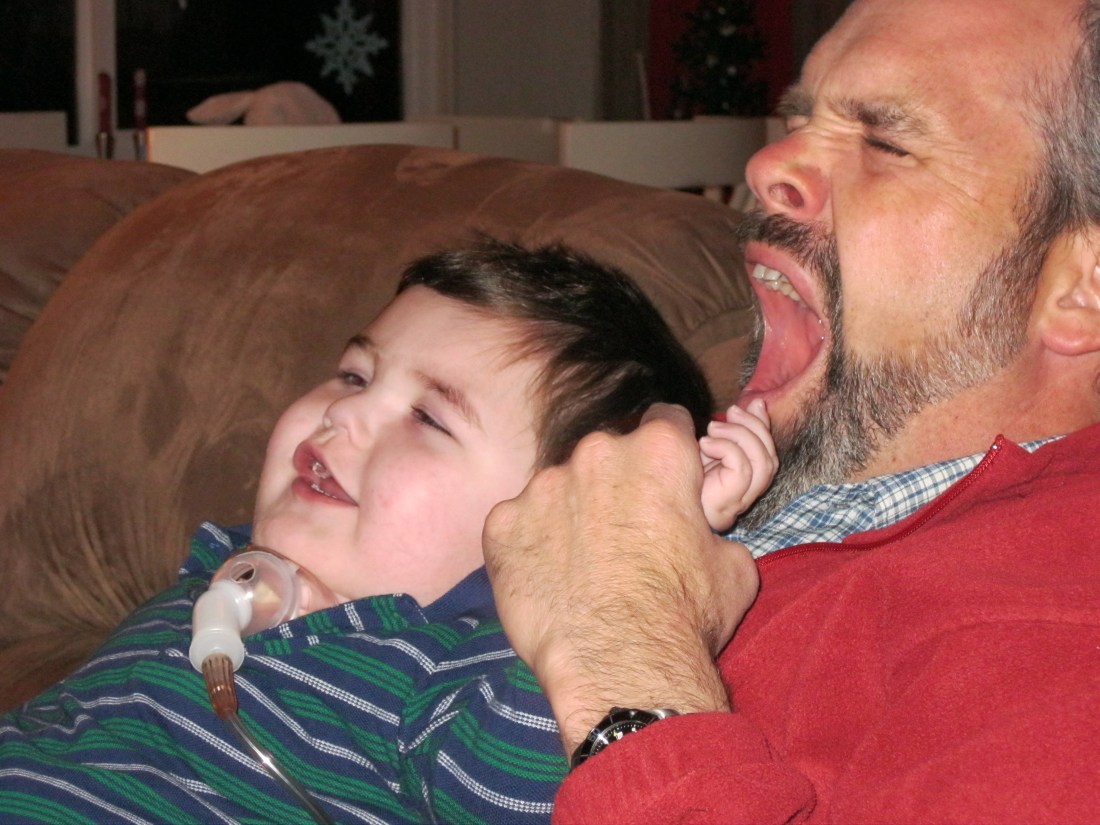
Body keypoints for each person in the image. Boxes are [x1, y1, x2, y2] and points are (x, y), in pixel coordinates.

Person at [481, 0, 1100, 822]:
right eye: (800, 119)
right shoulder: (753, 467)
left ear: (1084, 287)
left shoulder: (1057, 643)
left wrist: (626, 657)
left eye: (885, 142)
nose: (768, 161)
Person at [0, 240, 774, 825]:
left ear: (544, 522)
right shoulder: (209, 582)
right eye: (354, 375)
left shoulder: (442, 680)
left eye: (429, 418)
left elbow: (559, 778)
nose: (345, 412)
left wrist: (653, 528)